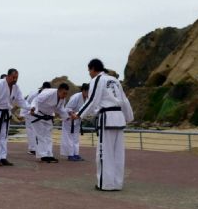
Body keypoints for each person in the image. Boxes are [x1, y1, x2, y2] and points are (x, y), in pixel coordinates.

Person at [73, 59, 134, 191]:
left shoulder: (98, 80)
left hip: (107, 119)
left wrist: (79, 114)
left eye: (89, 70)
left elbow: (92, 100)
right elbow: (124, 100)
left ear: (93, 69)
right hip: (119, 118)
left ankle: (105, 184)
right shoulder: (115, 80)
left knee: (104, 153)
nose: (89, 73)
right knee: (118, 153)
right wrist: (128, 117)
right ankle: (117, 183)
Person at [0, 69, 29, 166]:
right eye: (13, 77)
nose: (15, 79)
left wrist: (30, 108)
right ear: (8, 76)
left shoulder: (16, 87)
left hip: (5, 114)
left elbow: (21, 100)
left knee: (4, 136)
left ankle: (3, 157)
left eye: (16, 78)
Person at [30, 83, 69, 163]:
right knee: (41, 135)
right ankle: (43, 155)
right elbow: (36, 100)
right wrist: (33, 108)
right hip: (38, 115)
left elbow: (60, 109)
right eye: (64, 93)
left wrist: (67, 117)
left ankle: (49, 154)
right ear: (59, 90)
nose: (65, 95)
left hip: (48, 117)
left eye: (66, 94)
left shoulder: (62, 99)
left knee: (48, 136)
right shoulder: (48, 93)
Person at [22, 82, 52, 155]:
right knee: (31, 131)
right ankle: (32, 148)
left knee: (39, 132)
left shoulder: (49, 95)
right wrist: (25, 113)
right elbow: (26, 103)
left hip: (39, 114)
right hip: (29, 112)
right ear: (42, 88)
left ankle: (40, 148)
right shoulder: (33, 94)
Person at [62, 83, 89, 161]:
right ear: (83, 91)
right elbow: (67, 108)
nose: (89, 93)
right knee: (69, 137)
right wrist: (72, 114)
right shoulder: (76, 97)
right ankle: (70, 155)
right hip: (69, 119)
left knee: (76, 137)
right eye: (88, 91)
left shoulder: (87, 98)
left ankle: (76, 154)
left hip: (77, 120)